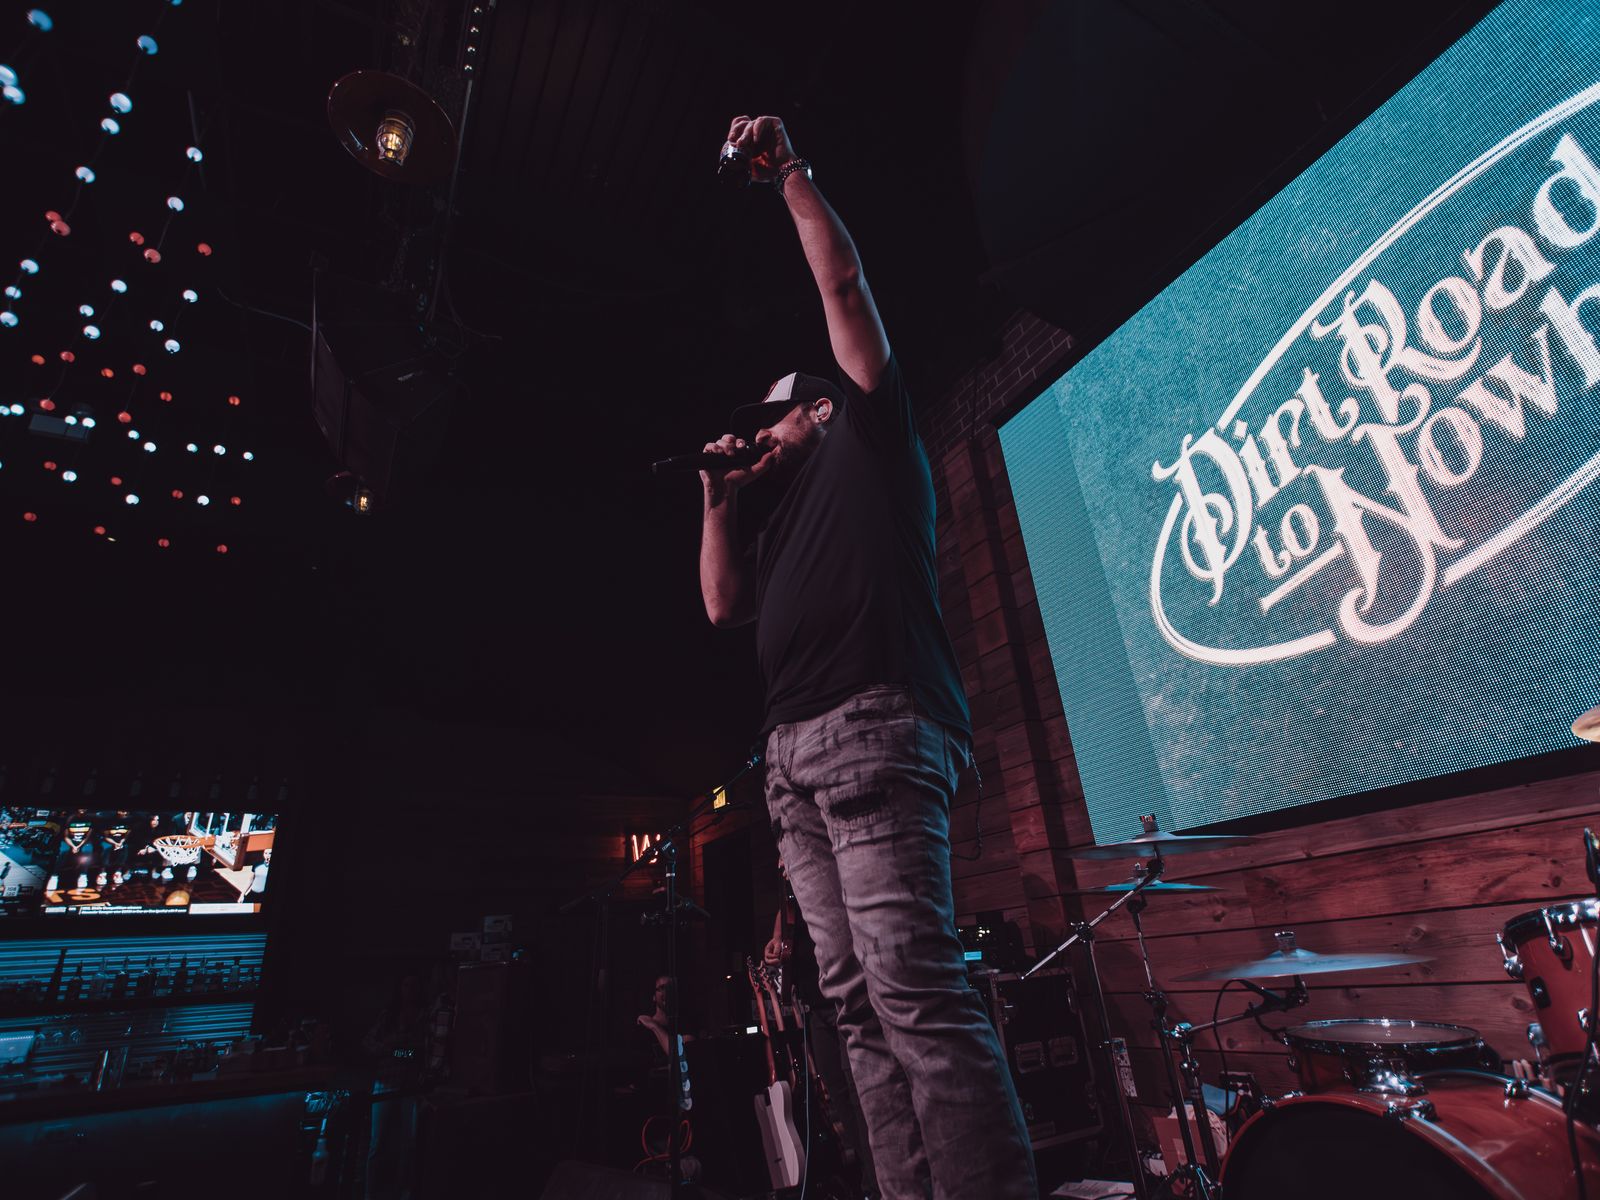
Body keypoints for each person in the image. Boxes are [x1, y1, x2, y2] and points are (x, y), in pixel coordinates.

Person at [697, 114, 1036, 1200]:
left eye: (773, 420)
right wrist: (716, 497)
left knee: (913, 990)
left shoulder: (867, 441)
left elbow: (842, 288)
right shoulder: (776, 523)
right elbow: (720, 607)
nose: (760, 434)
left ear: (819, 409)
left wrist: (789, 174)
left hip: (874, 728)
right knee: (850, 1004)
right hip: (789, 762)